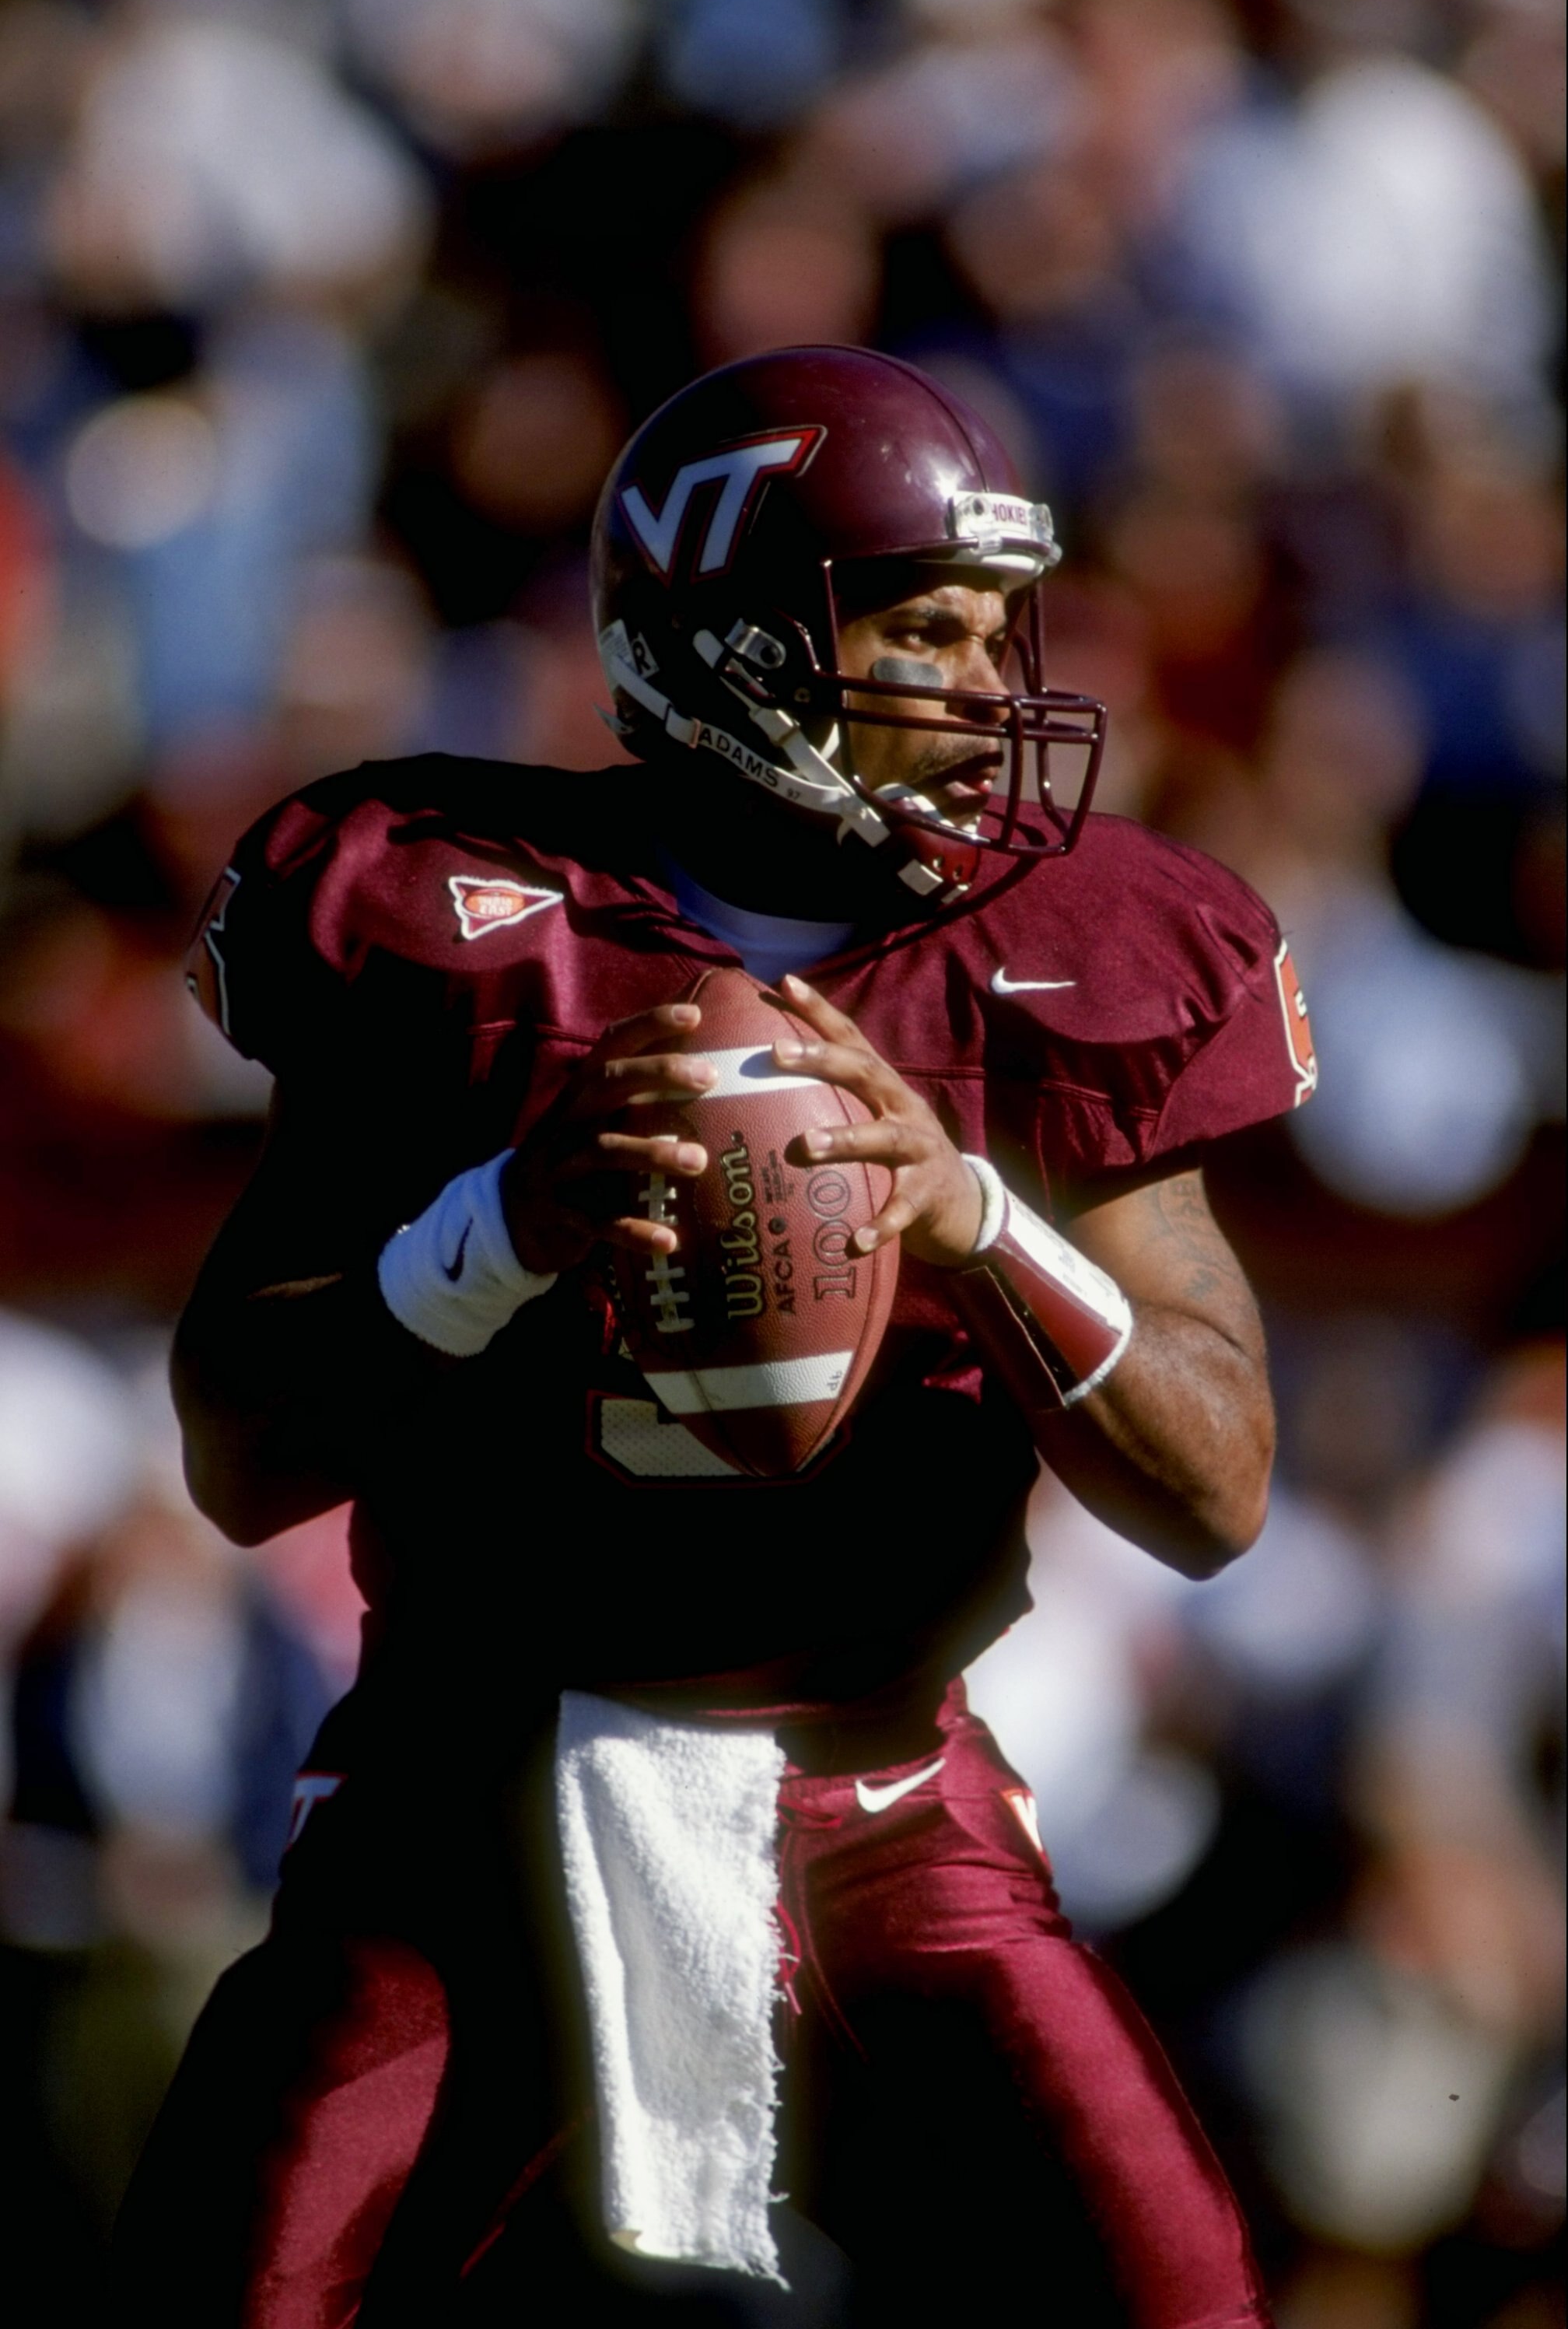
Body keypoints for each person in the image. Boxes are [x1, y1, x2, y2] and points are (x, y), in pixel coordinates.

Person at [114, 346, 1314, 2326]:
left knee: (1176, 2302)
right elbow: (242, 1455)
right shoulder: (449, 912)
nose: (995, 684)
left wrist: (975, 1219)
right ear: (739, 637)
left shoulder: (1085, 939)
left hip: (885, 1791)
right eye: (927, 625)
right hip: (468, 1778)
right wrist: (504, 1224)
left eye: (1001, 626)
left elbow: (1218, 1488)